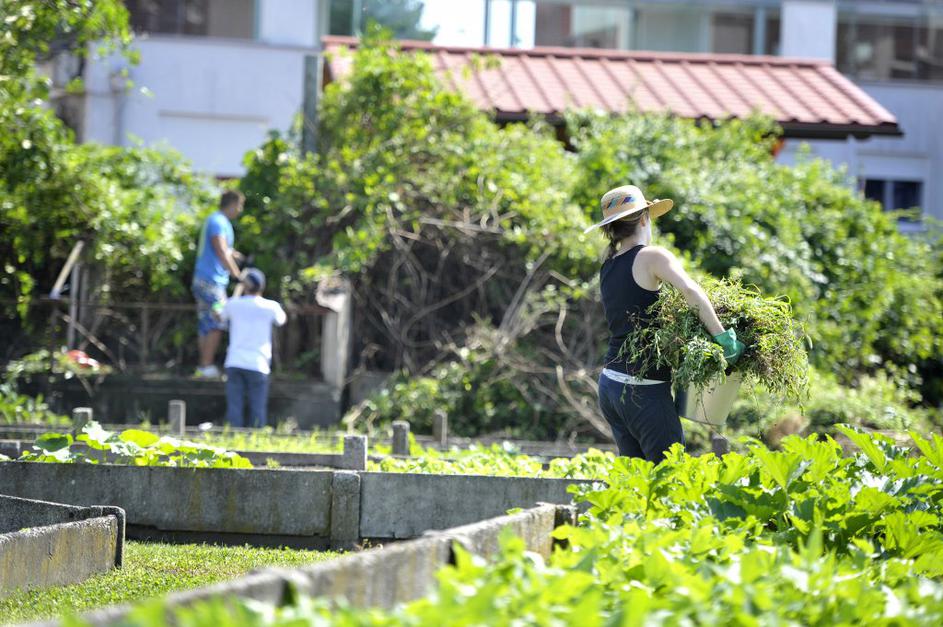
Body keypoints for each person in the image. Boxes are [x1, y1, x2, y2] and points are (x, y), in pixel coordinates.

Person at [585, 185, 745, 462]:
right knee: (670, 476)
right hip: (641, 388)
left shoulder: (608, 263)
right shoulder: (652, 256)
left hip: (610, 385)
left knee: (635, 480)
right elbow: (691, 291)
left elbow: (636, 316)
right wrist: (722, 337)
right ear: (645, 218)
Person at [219, 268, 286, 428]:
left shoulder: (233, 304)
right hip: (258, 363)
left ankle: (234, 437)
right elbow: (281, 320)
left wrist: (237, 291)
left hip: (234, 361)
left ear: (244, 286)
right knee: (258, 407)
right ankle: (257, 438)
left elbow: (220, 316)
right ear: (262, 286)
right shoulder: (271, 306)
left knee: (234, 406)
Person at [192, 190, 245, 378]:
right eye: (239, 205)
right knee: (218, 321)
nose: (240, 210)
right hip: (211, 282)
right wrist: (237, 275)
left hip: (206, 280)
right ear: (232, 203)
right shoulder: (218, 221)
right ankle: (206, 366)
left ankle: (203, 367)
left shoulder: (217, 221)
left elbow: (223, 250)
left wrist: (233, 255)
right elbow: (220, 250)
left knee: (206, 322)